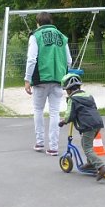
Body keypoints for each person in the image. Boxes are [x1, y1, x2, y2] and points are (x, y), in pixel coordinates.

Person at [24, 12, 72, 155]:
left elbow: (31, 59)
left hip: (41, 79)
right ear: (51, 22)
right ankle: (53, 147)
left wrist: (27, 79)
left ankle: (40, 142)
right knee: (54, 112)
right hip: (58, 79)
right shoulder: (62, 37)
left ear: (38, 23)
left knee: (38, 110)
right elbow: (69, 60)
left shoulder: (35, 36)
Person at [58, 73, 105, 181]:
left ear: (69, 89)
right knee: (85, 143)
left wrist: (63, 121)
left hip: (87, 126)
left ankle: (101, 167)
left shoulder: (73, 99)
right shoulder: (88, 96)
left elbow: (69, 114)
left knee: (87, 148)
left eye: (66, 90)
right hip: (97, 123)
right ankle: (90, 163)